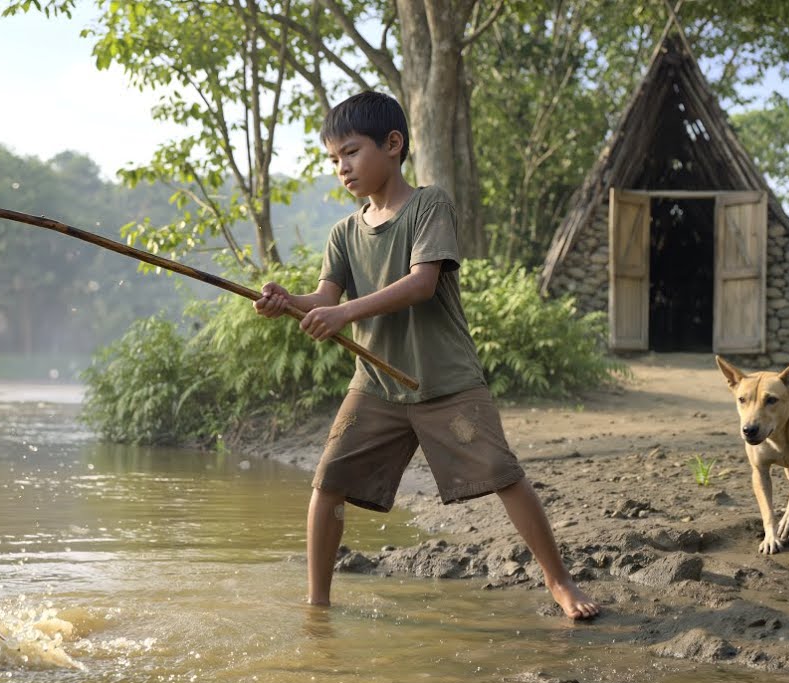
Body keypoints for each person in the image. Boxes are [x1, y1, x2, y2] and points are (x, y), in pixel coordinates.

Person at [254, 90, 600, 620]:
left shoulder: (428, 205)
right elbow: (325, 299)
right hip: (375, 385)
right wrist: (288, 303)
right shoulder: (344, 232)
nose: (341, 168)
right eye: (333, 159)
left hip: (445, 381)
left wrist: (345, 315)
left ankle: (560, 583)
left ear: (393, 145)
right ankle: (317, 606)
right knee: (328, 484)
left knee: (503, 473)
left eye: (350, 152)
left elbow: (421, 284)